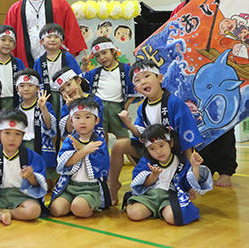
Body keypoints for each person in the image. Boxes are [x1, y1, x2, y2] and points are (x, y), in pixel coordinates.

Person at [172, 0, 236, 187]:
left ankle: (226, 170)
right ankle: (202, 166)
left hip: (218, 70)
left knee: (224, 119)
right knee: (197, 120)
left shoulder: (222, 1)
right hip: (191, 75)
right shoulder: (180, 11)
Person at [110, 60, 203, 205]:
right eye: (138, 80)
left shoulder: (174, 103)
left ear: (159, 78)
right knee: (118, 146)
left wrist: (191, 176)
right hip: (151, 149)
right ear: (135, 88)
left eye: (147, 76)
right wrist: (128, 124)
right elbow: (141, 134)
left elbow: (187, 138)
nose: (143, 82)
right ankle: (113, 186)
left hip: (173, 152)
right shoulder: (142, 107)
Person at [124, 124, 212, 225]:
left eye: (161, 145)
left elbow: (190, 182)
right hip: (149, 196)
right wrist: (153, 175)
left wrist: (195, 166)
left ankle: (162, 210)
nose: (158, 151)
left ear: (170, 143)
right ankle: (130, 201)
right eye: (152, 149)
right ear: (147, 150)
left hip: (170, 197)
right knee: (135, 214)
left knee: (173, 218)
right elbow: (144, 184)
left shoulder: (180, 161)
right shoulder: (146, 162)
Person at [5, 0, 86, 67]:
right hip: (26, 67)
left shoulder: (61, 5)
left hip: (58, 65)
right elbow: (8, 41)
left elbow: (72, 35)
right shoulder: (15, 10)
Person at [50, 98, 110, 218]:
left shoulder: (99, 141)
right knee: (56, 209)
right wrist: (84, 151)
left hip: (90, 188)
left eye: (88, 117)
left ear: (97, 120)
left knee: (79, 208)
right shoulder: (69, 141)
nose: (82, 122)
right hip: (70, 186)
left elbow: (102, 167)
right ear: (71, 121)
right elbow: (64, 164)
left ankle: (87, 204)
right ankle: (75, 203)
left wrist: (82, 149)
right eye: (77, 117)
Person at [81, 37, 137, 144]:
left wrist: (126, 106)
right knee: (101, 138)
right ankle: (105, 159)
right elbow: (80, 81)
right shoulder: (95, 73)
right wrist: (84, 65)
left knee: (123, 139)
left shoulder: (125, 69)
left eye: (104, 53)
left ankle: (133, 160)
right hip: (99, 107)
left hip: (118, 108)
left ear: (113, 51)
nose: (101, 57)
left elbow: (134, 90)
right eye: (97, 56)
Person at [14, 69, 57, 186]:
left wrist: (43, 109)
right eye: (22, 86)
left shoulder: (45, 105)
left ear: (38, 88)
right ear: (17, 89)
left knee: (48, 183)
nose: (26, 89)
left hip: (41, 145)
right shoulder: (17, 110)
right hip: (23, 146)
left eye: (30, 85)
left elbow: (50, 128)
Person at [34, 23, 82, 121]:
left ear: (61, 41)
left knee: (66, 119)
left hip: (67, 93)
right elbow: (36, 81)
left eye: (56, 37)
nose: (52, 40)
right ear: (41, 41)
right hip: (47, 95)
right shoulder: (39, 61)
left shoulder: (67, 57)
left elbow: (77, 76)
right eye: (49, 37)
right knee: (50, 120)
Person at [53, 67, 104, 141]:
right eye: (62, 90)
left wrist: (80, 102)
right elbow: (69, 130)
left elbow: (96, 123)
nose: (67, 90)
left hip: (95, 141)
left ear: (78, 80)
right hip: (75, 144)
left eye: (69, 84)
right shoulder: (65, 108)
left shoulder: (95, 100)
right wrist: (71, 108)